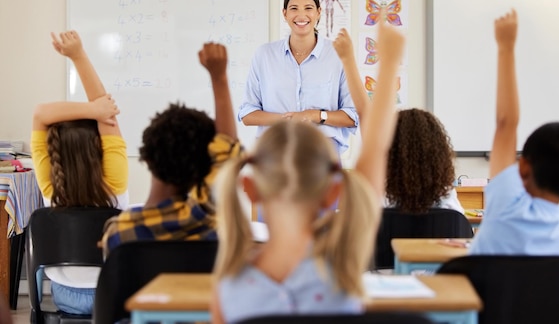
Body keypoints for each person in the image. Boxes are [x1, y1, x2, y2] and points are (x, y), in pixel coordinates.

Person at [211, 20, 405, 324]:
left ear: (249, 187)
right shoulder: (344, 262)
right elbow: (375, 145)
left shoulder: (228, 287)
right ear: (334, 189)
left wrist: (218, 79)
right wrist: (390, 63)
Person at [469, 9, 559, 256]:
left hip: (489, 296)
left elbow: (506, 124)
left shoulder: (506, 205)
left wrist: (506, 47)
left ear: (523, 166)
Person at [101, 42, 241, 257]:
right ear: (205, 170)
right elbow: (227, 152)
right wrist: (219, 77)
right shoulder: (206, 219)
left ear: (146, 157)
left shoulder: (119, 233)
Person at [30, 30, 128, 314]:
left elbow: (39, 114)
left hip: (66, 298)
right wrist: (79, 56)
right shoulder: (114, 181)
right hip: (110, 296)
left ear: (53, 151)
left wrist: (91, 109)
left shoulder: (50, 184)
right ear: (100, 146)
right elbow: (107, 112)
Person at [333, 28, 463, 215]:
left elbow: (365, 115)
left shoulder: (376, 202)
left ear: (389, 151)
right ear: (440, 155)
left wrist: (348, 60)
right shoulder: (451, 207)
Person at [238, 0, 358, 157]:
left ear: (318, 12)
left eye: (308, 8)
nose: (301, 15)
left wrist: (316, 115)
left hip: (322, 156)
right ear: (285, 13)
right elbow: (247, 113)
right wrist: (286, 120)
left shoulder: (338, 55)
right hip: (274, 154)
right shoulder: (264, 55)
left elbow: (352, 116)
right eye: (294, 8)